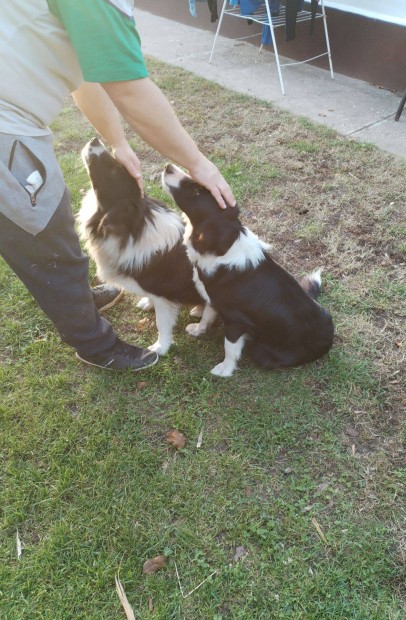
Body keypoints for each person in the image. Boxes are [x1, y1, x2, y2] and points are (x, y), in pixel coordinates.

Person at [0, 0, 235, 371]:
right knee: (51, 249)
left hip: (13, 120)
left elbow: (86, 79)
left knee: (53, 232)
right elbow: (130, 92)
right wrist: (198, 164)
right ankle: (96, 345)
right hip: (6, 127)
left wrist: (119, 143)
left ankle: (77, 299)